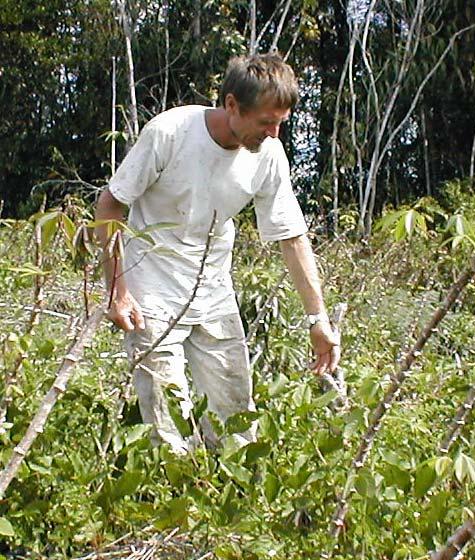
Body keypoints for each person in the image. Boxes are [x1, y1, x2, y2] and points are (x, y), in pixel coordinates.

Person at [95, 53, 340, 453]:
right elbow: (111, 205)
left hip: (213, 291)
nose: (274, 134)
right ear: (231, 105)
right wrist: (116, 292)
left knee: (237, 423)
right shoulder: (170, 133)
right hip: (151, 294)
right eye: (265, 122)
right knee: (168, 430)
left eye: (280, 123)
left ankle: (236, 506)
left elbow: (292, 236)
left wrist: (318, 319)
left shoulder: (269, 154)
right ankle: (176, 506)